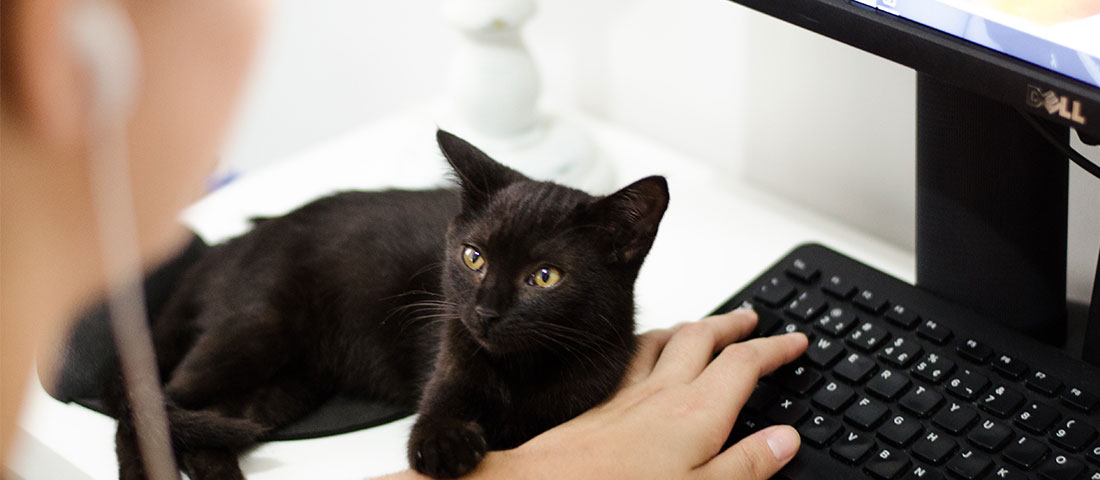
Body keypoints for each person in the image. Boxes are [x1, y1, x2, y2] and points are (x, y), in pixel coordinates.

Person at [0, 0, 808, 478]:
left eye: (540, 280)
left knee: (261, 409)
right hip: (308, 266)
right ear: (66, 49)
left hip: (334, 348)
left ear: (626, 246)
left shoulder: (588, 328)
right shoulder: (468, 326)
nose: (483, 303)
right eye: (475, 259)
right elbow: (436, 438)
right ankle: (147, 420)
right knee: (234, 357)